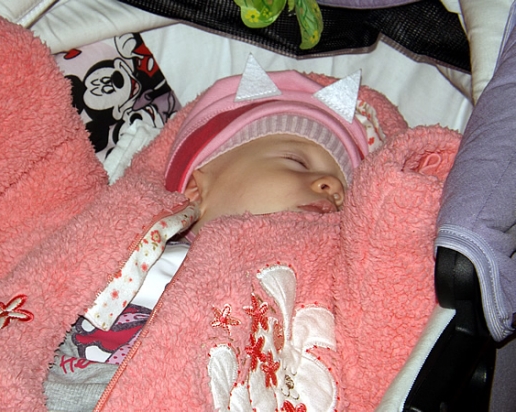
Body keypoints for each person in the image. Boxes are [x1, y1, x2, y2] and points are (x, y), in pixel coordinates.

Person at [43, 58, 381, 410]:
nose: (330, 187)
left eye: (343, 193)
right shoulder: (141, 248)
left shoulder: (319, 301)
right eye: (296, 161)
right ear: (196, 190)